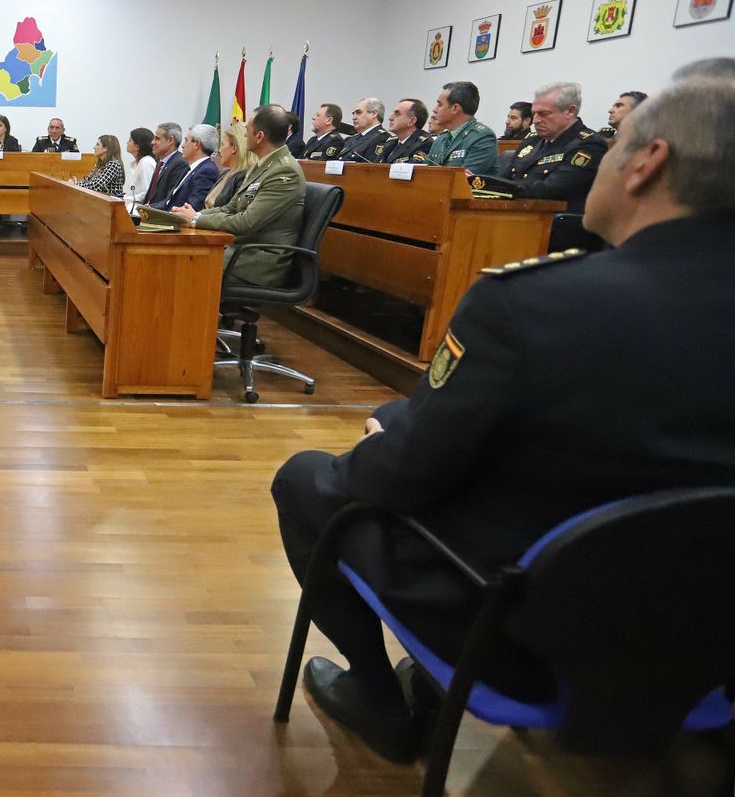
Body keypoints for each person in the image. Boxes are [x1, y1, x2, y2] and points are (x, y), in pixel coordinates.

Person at [268, 74, 735, 765]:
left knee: (310, 479)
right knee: (401, 413)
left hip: (526, 631)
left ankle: (380, 699)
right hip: (708, 638)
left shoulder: (532, 305)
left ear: (647, 163)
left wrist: (379, 451)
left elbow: (402, 479)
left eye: (614, 148)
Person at [173, 105, 304, 288]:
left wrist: (195, 220)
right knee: (177, 257)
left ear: (259, 136)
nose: (244, 135)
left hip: (258, 261)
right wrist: (193, 216)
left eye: (248, 130)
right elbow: (230, 208)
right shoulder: (262, 165)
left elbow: (246, 223)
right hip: (241, 251)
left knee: (182, 267)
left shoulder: (284, 170)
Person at [499, 82, 609, 211]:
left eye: (544, 114)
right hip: (519, 215)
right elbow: (504, 178)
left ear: (570, 111)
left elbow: (551, 189)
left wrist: (503, 189)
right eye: (534, 114)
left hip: (557, 222)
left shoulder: (588, 145)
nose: (535, 120)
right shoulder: (531, 142)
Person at [175, 120, 259, 212]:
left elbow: (231, 212)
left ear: (234, 148)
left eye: (222, 144)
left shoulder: (244, 177)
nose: (219, 150)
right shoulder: (224, 173)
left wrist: (196, 217)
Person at [425, 81, 498, 175]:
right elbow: (425, 173)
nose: (434, 110)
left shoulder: (482, 137)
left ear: (455, 108)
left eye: (440, 105)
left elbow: (463, 180)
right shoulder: (441, 139)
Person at [150, 123, 220, 212]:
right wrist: (147, 208)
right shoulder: (190, 168)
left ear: (197, 144)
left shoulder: (207, 171)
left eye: (186, 140)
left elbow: (193, 208)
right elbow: (168, 202)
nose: (182, 145)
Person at [143, 122, 188, 205]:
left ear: (170, 140)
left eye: (157, 138)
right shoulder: (160, 161)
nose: (152, 142)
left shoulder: (180, 164)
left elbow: (170, 200)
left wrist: (147, 209)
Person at [380, 98, 432, 164]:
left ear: (411, 121)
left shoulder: (424, 143)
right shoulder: (391, 142)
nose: (390, 118)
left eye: (397, 114)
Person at [122, 127, 156, 209]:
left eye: (130, 140)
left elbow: (147, 193)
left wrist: (125, 199)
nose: (127, 142)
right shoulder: (136, 163)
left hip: (137, 209)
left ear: (137, 146)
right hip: (130, 205)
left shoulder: (146, 162)